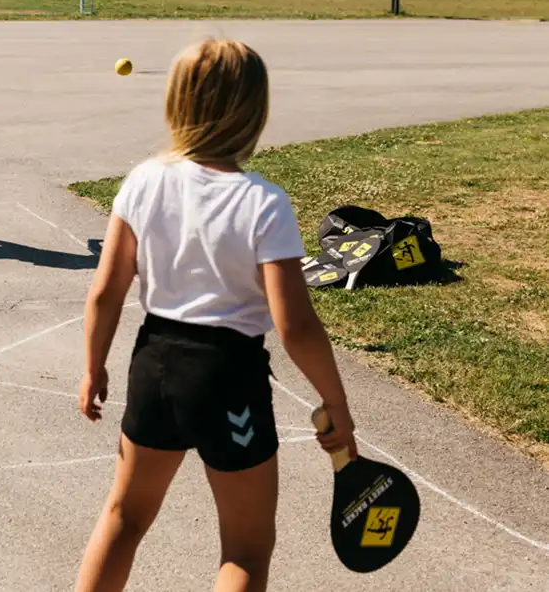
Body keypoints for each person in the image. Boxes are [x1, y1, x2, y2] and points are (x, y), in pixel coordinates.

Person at [73, 38, 358, 592]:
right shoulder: (263, 202)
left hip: (153, 363)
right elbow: (294, 324)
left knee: (124, 519)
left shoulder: (143, 180)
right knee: (246, 548)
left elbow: (106, 290)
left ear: (177, 104)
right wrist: (336, 401)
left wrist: (93, 366)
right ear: (255, 112)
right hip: (228, 374)